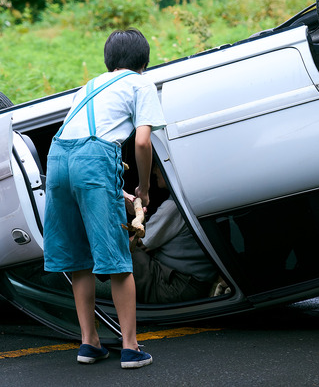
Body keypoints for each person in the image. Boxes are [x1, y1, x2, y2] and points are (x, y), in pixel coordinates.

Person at [42, 28, 166, 370]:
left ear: (108, 60)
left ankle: (89, 343)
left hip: (58, 159)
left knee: (79, 258)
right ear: (143, 62)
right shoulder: (141, 84)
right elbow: (142, 142)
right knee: (116, 258)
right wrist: (143, 188)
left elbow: (79, 152)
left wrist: (116, 191)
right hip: (94, 160)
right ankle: (130, 348)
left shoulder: (90, 85)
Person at [131, 168, 220, 304]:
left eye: (157, 166)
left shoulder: (173, 207)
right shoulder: (193, 198)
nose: (154, 171)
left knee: (124, 248)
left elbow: (138, 242)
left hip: (179, 287)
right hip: (197, 282)